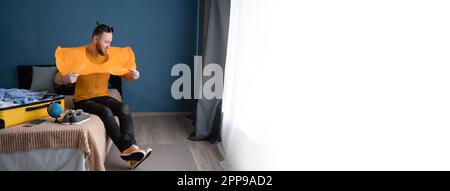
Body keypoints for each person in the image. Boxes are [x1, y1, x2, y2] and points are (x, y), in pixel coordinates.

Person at [54, 23, 151, 169]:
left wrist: (133, 76)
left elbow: (124, 72)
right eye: (106, 42)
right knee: (106, 111)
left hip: (102, 95)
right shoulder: (77, 56)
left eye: (110, 42)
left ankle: (131, 151)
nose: (108, 46)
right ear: (95, 39)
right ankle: (129, 150)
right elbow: (56, 78)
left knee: (124, 107)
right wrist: (65, 79)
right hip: (83, 100)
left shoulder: (108, 55)